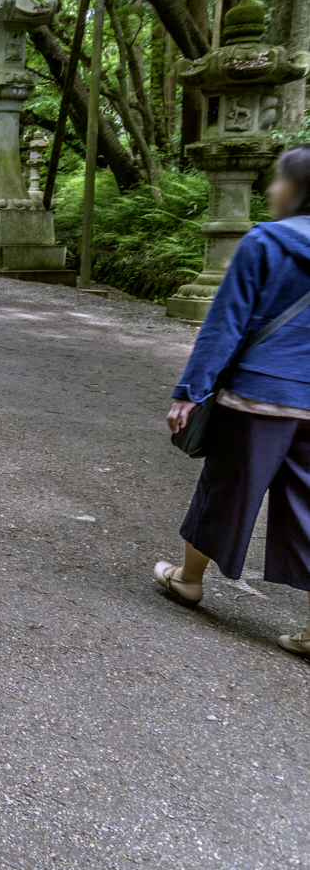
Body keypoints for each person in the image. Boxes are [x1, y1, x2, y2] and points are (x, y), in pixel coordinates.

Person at [158, 145, 310, 656]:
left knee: (226, 486)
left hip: (259, 393)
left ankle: (188, 579)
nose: (271, 189)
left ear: (297, 189)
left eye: (279, 180)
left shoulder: (265, 242)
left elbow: (225, 326)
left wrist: (190, 391)